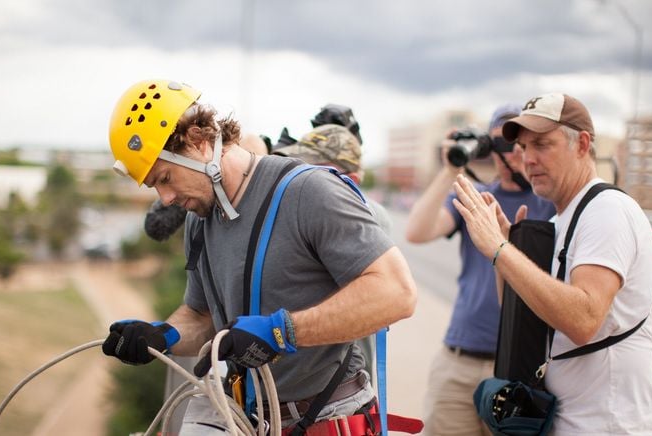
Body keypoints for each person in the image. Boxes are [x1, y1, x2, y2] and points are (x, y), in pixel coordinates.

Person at [102, 79, 418, 433]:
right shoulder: (200, 221)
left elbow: (397, 294)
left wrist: (280, 332)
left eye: (165, 178)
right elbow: (202, 315)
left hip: (327, 416)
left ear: (198, 140)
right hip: (250, 418)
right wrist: (164, 336)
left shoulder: (308, 192)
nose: (166, 198)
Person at [452, 93, 652, 435]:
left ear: (581, 144)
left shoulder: (606, 211)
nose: (528, 159)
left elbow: (582, 319)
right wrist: (508, 256)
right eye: (522, 147)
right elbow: (529, 320)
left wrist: (500, 249)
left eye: (542, 144)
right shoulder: (564, 219)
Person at [405, 103, 555, 435]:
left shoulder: (550, 204)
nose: (510, 154)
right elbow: (417, 231)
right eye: (498, 143)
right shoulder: (478, 197)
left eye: (518, 143)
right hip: (460, 357)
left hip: (520, 366)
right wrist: (450, 170)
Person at [273, 123, 392, 379]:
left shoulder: (369, 215)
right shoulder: (306, 208)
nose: (301, 177)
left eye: (313, 171)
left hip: (344, 382)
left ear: (352, 180)